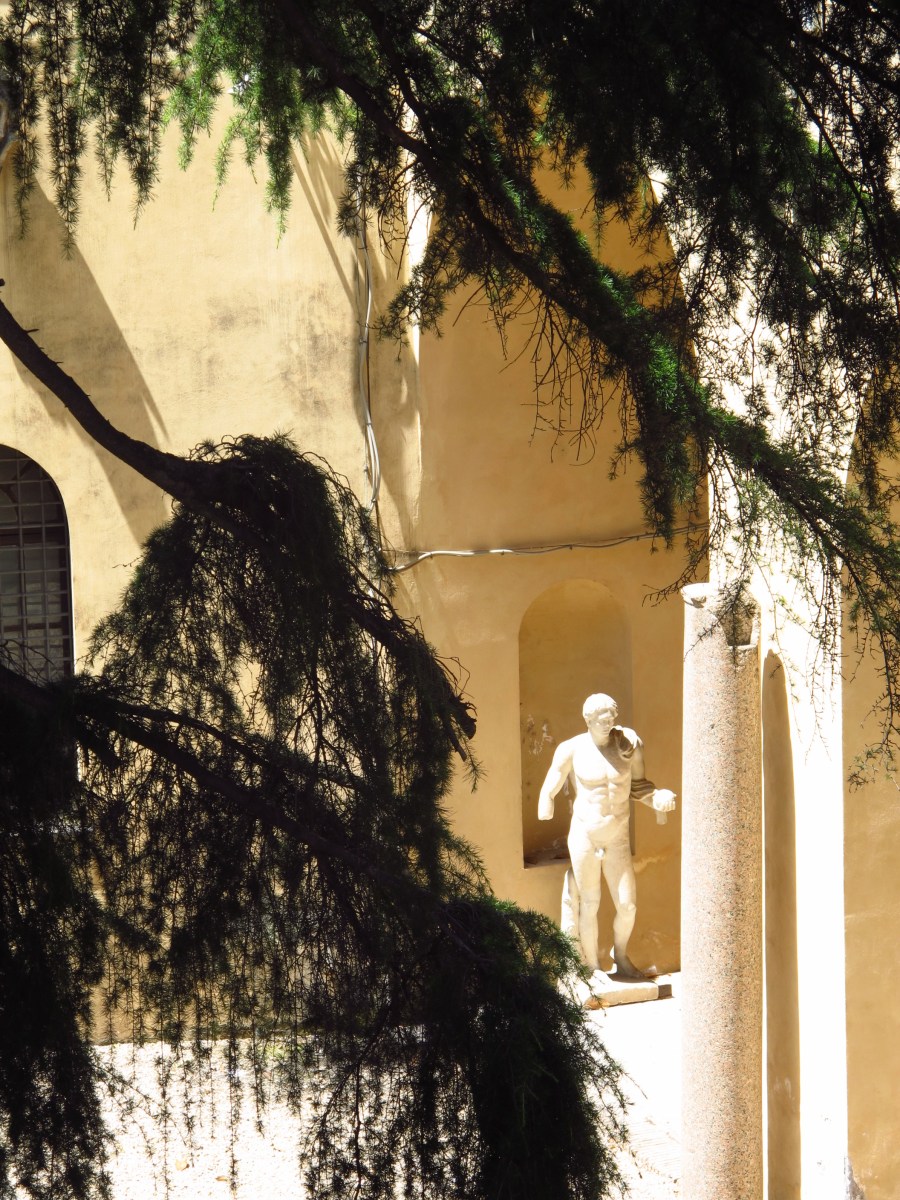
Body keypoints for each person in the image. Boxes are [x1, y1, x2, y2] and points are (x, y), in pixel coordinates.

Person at [537, 693, 675, 979]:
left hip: (617, 836)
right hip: (586, 833)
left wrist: (657, 797)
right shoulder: (571, 749)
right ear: (587, 720)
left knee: (627, 905)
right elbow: (552, 780)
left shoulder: (628, 745)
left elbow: (639, 788)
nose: (608, 725)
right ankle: (592, 967)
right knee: (590, 901)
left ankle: (620, 956)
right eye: (601, 721)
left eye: (611, 719)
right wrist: (546, 801)